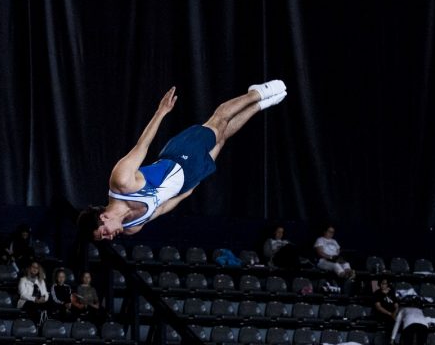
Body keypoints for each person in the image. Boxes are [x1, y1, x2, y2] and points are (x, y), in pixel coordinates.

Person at [89, 81, 287, 240]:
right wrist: (189, 190)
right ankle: (259, 105)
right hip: (189, 178)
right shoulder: (133, 228)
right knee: (223, 137)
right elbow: (163, 207)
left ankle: (258, 93)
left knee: (218, 122)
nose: (109, 237)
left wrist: (161, 112)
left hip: (179, 157)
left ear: (103, 217)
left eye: (103, 233)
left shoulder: (120, 182)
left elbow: (142, 146)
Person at [17, 260, 50, 325]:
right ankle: (36, 324)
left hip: (39, 301)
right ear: (29, 268)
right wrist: (34, 299)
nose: (35, 269)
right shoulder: (23, 280)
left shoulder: (41, 281)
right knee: (34, 305)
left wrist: (43, 298)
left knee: (49, 304)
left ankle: (46, 324)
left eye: (37, 268)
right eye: (33, 267)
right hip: (26, 302)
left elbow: (45, 293)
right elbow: (22, 295)